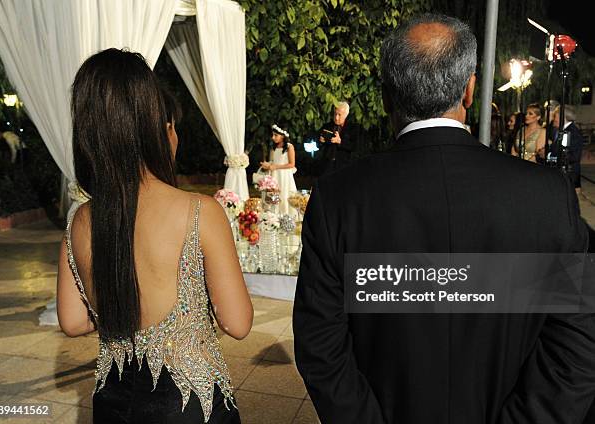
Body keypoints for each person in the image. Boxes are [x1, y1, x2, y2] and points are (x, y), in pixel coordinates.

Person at [293, 13, 595, 424]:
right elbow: (576, 345)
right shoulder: (545, 195)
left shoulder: (339, 198)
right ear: (470, 90)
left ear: (386, 97)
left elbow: (321, 347)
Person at [56, 48, 253, 423]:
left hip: (113, 403)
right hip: (190, 405)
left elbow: (73, 321)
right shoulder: (199, 212)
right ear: (157, 127)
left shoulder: (80, 220)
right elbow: (238, 323)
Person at [260, 124, 297, 216]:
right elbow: (273, 161)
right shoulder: (274, 147)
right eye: (273, 135)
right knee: (274, 195)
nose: (273, 137)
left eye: (276, 135)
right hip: (275, 175)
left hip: (285, 176)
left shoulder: (289, 147)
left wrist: (276, 167)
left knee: (284, 194)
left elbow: (292, 164)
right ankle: (274, 215)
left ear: (283, 135)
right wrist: (268, 165)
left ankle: (286, 215)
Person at [548, 104, 584, 193]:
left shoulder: (573, 132)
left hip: (569, 177)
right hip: (561, 175)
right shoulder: (561, 130)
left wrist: (552, 156)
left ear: (562, 117)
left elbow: (574, 157)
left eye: (555, 116)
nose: (553, 119)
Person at [317, 102, 354, 175]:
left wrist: (340, 141)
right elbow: (318, 145)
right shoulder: (327, 126)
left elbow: (355, 147)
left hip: (344, 166)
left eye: (339, 115)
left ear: (346, 115)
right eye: (335, 114)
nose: (336, 118)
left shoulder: (352, 128)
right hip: (327, 165)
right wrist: (320, 141)